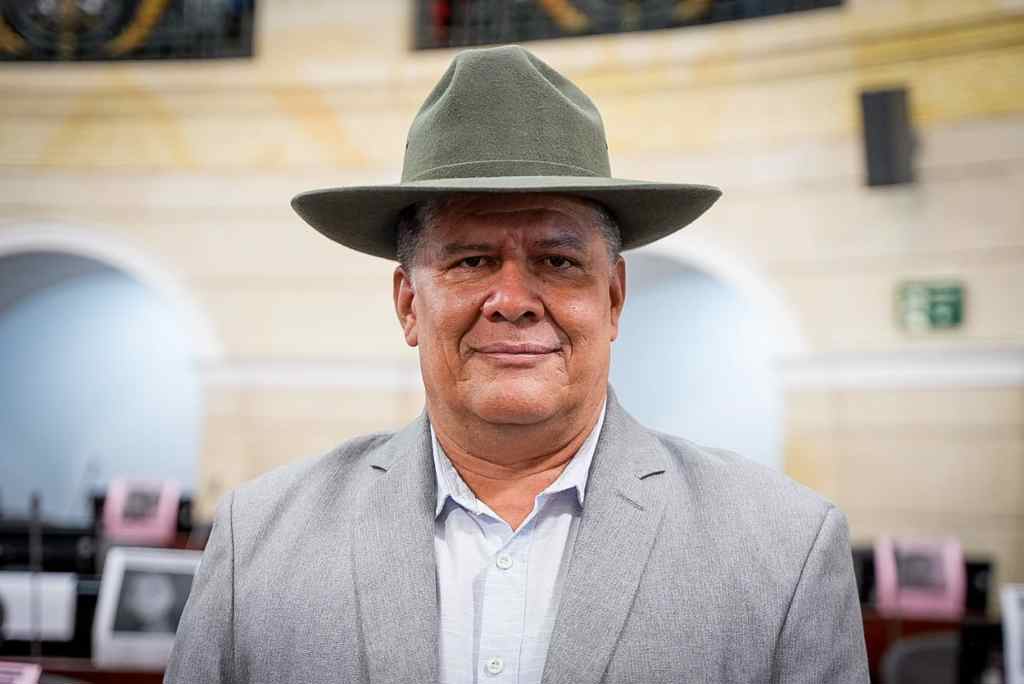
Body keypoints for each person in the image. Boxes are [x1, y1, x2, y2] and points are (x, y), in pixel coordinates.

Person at [165, 45, 869, 683]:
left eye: (557, 262)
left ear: (613, 298)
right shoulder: (259, 540)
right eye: (472, 261)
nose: (512, 301)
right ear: (409, 303)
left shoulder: (784, 549)